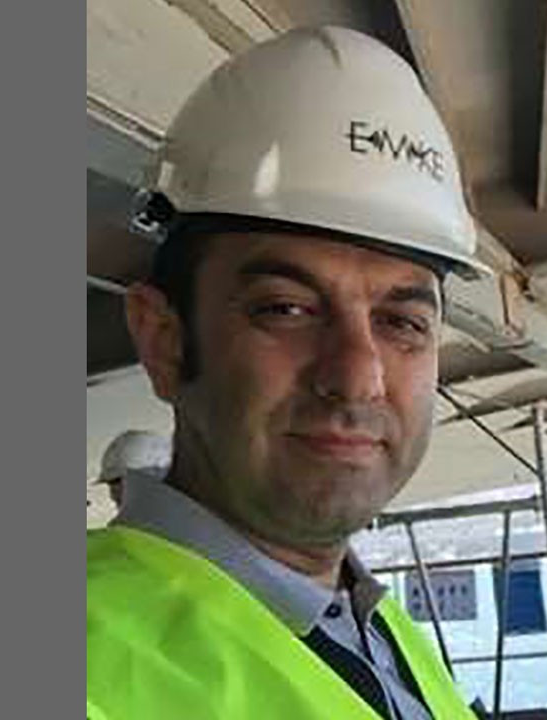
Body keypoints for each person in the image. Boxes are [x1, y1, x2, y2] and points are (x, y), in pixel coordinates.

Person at [86, 25, 489, 720]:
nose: (358, 376)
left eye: (402, 322)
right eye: (287, 308)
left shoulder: (379, 628)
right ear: (164, 341)